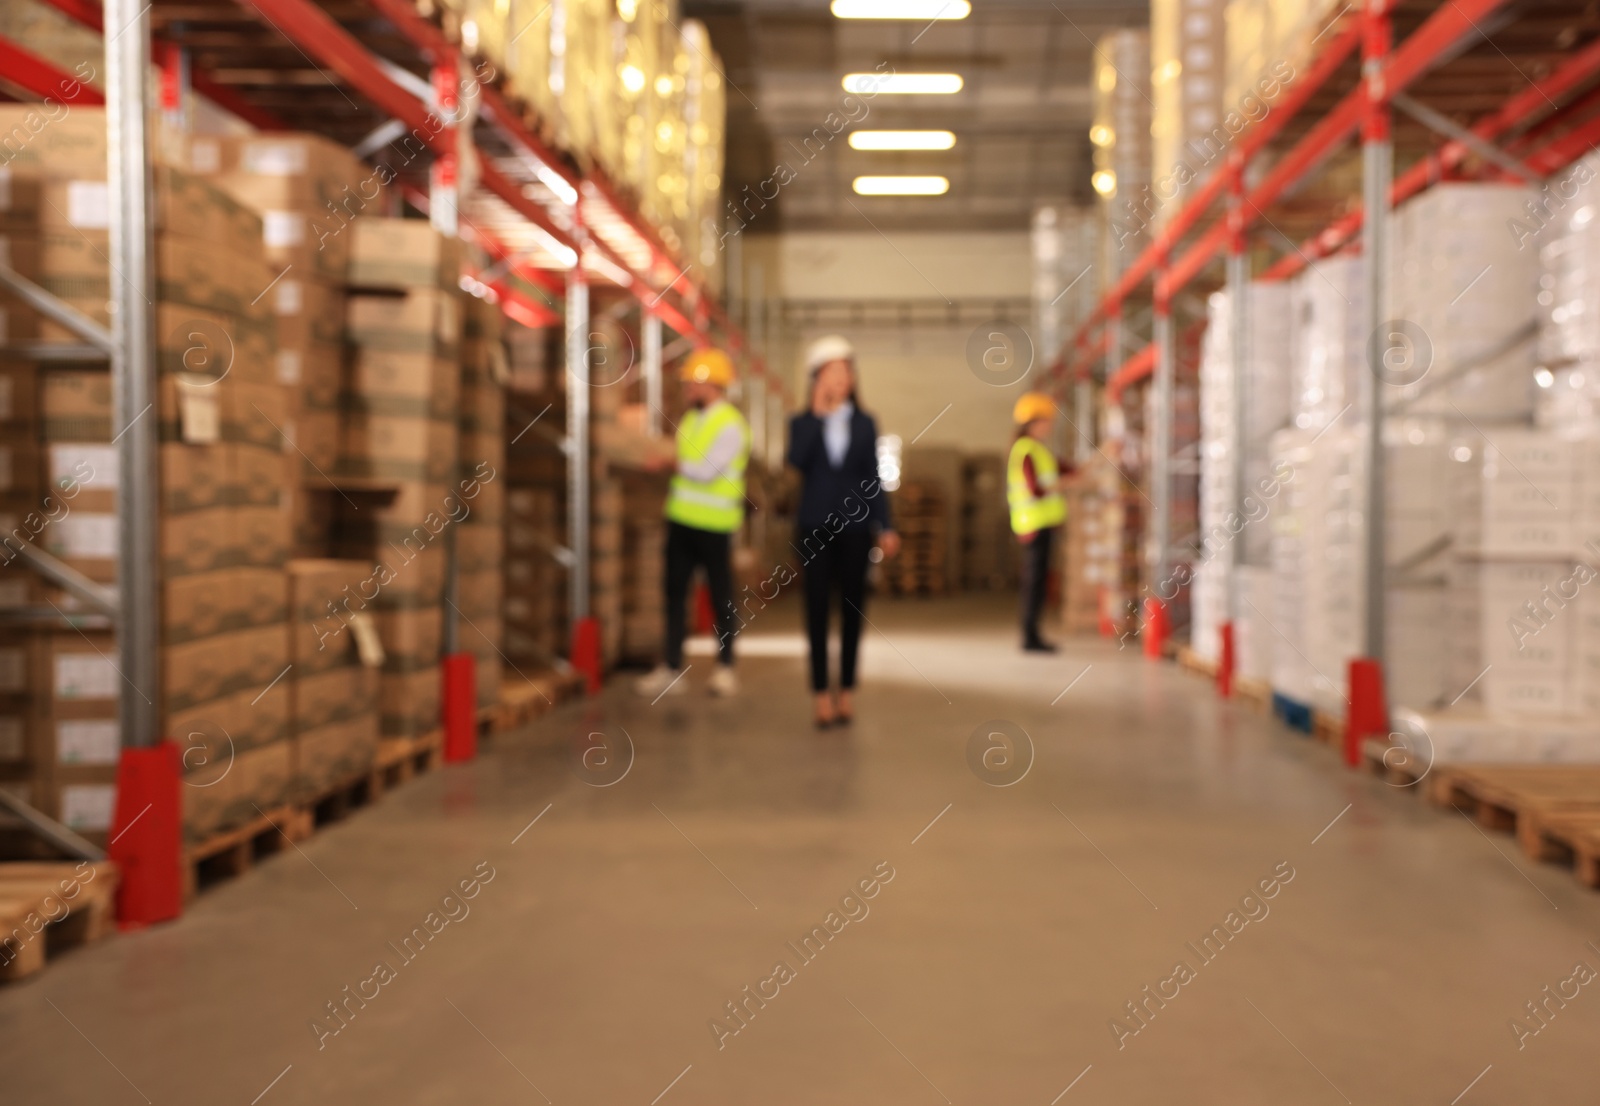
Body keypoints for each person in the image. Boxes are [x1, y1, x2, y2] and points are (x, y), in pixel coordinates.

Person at [788, 335, 900, 728]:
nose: (841, 378)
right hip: (815, 526)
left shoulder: (866, 423)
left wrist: (885, 524)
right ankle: (821, 694)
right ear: (816, 379)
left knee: (854, 611)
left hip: (855, 529)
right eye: (832, 372)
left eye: (846, 371)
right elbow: (796, 462)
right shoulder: (802, 423)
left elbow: (873, 477)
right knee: (816, 612)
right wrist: (818, 417)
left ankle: (847, 691)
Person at [635, 348, 750, 699]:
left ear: (710, 384)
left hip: (714, 525)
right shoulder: (692, 419)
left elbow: (704, 470)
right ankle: (671, 668)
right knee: (674, 594)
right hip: (682, 520)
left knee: (721, 597)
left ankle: (726, 668)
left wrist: (669, 462)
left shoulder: (730, 424)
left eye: (691, 383)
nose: (686, 388)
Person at [1008, 391, 1067, 653]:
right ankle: (1030, 637)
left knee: (1037, 583)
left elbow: (1067, 469)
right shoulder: (1026, 450)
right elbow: (1036, 490)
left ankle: (1032, 635)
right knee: (1034, 585)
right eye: (1046, 420)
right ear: (1033, 422)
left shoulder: (1037, 449)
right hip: (1034, 526)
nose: (1050, 425)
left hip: (1039, 525)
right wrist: (1061, 485)